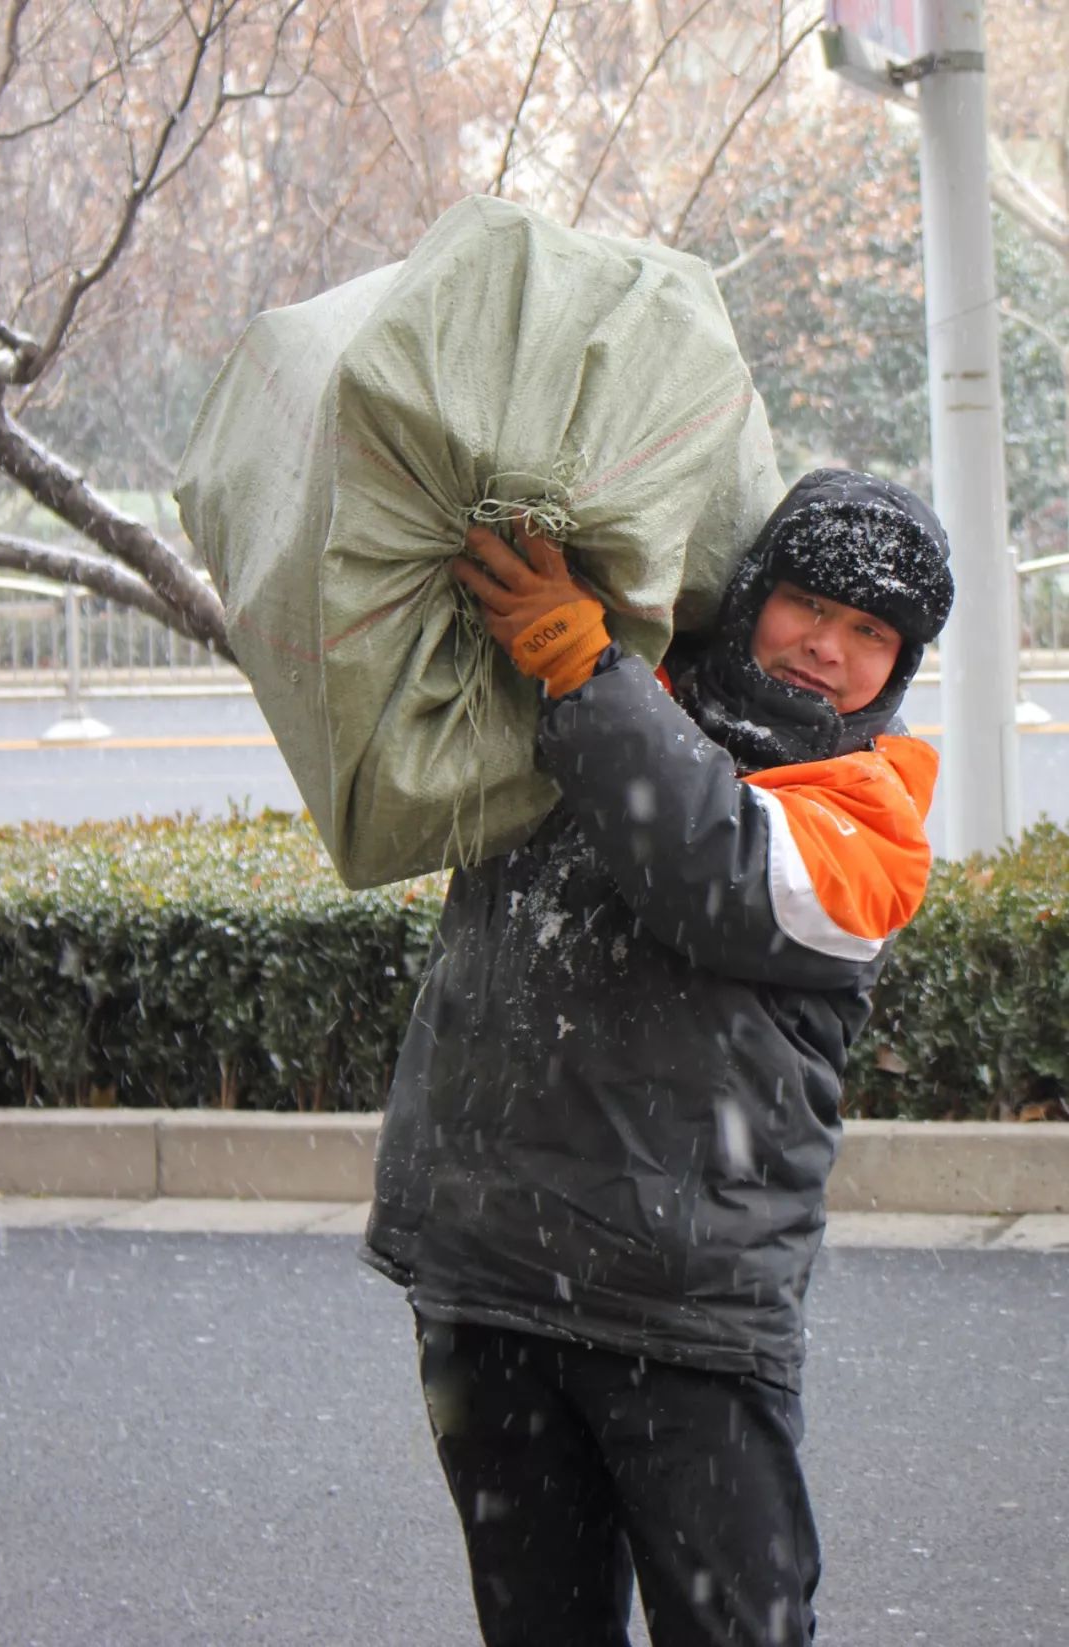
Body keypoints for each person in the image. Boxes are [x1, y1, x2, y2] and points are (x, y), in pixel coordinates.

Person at [362, 467, 954, 1647]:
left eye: (870, 630)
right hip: (492, 1285)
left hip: (688, 1321)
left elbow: (715, 868)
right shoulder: (617, 686)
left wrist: (585, 670)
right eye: (808, 604)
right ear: (750, 596)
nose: (827, 647)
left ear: (899, 665)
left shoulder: (866, 822)